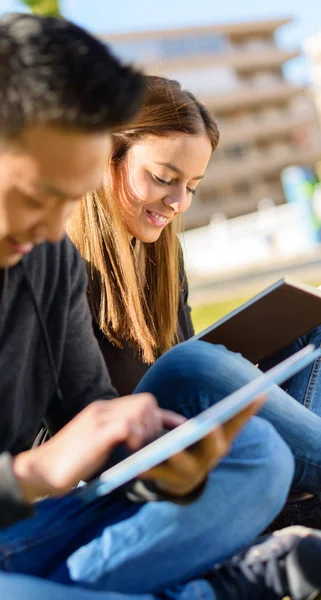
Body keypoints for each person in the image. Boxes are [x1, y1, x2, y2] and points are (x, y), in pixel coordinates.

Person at [0, 13, 319, 600]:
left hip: (32, 531)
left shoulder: (45, 259)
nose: (53, 232)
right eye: (41, 197)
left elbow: (92, 413)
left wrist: (157, 465)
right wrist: (28, 476)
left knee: (256, 456)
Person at [67, 74, 321, 521]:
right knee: (195, 367)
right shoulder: (55, 262)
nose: (179, 203)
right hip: (123, 467)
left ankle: (298, 496)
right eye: (164, 178)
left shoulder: (161, 256)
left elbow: (177, 358)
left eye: (193, 187)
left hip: (188, 433)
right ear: (104, 157)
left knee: (308, 325)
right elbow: (81, 422)